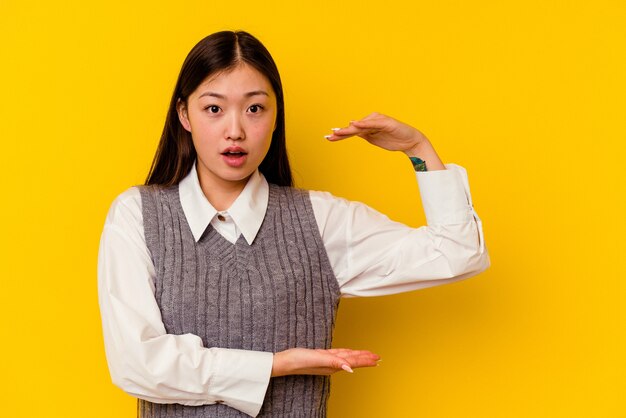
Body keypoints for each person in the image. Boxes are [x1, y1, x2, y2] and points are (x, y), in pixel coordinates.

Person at [97, 30, 490, 418]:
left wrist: (417, 149)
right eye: (214, 109)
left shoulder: (320, 221)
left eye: (254, 109)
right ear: (184, 113)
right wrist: (274, 365)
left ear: (274, 116)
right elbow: (136, 362)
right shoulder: (138, 215)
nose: (235, 130)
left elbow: (457, 253)